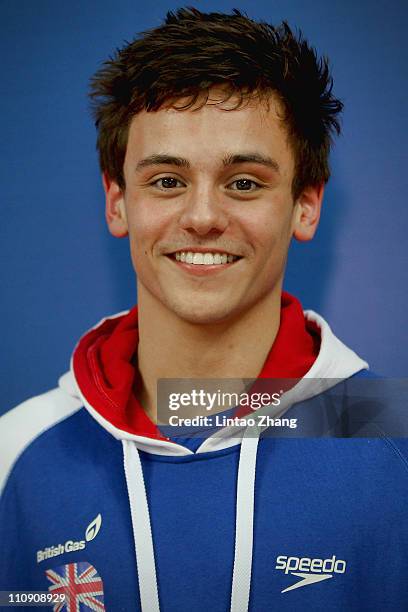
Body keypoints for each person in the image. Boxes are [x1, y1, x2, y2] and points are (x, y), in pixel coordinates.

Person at [1, 7, 407, 611]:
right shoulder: (16, 449)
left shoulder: (392, 436)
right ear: (117, 202)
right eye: (166, 180)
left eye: (244, 182)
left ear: (306, 205)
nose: (202, 217)